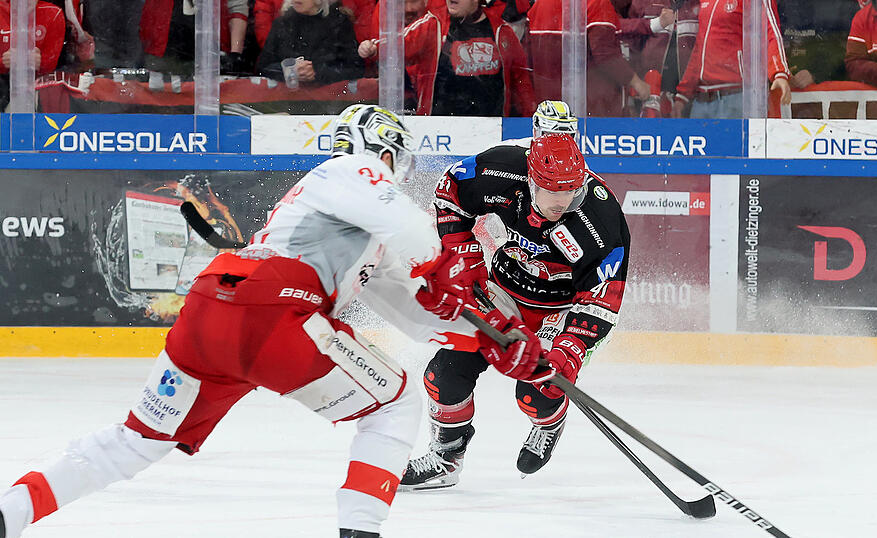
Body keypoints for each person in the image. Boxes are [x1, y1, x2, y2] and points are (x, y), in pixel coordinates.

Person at [0, 105, 487, 538]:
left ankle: (11, 512)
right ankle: (360, 531)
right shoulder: (350, 169)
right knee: (394, 405)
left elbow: (415, 312)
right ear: (385, 152)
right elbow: (416, 234)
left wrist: (490, 342)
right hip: (272, 313)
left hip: (211, 310)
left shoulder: (344, 218)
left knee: (135, 442)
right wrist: (445, 264)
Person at [398, 106, 631, 491]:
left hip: (560, 312)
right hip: (501, 293)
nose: (561, 203)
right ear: (531, 180)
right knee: (444, 376)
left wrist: (570, 350)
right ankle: (446, 458)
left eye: (570, 193)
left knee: (536, 392)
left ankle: (549, 422)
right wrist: (464, 257)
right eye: (552, 192)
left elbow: (602, 300)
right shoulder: (503, 169)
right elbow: (450, 192)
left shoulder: (602, 220)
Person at [357, 0, 536, 116]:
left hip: (492, 128)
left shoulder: (502, 31)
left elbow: (521, 80)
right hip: (438, 127)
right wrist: (374, 48)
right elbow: (401, 43)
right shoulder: (433, 24)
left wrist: (529, 118)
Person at [671, 0, 791, 119]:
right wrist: (683, 95)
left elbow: (771, 30)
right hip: (702, 101)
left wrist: (779, 72)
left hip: (737, 96)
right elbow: (700, 49)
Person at [257, 0, 365, 86]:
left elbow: (355, 68)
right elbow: (263, 67)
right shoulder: (282, 24)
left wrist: (318, 72)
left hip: (329, 101)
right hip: (288, 99)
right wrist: (288, 71)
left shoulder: (338, 23)